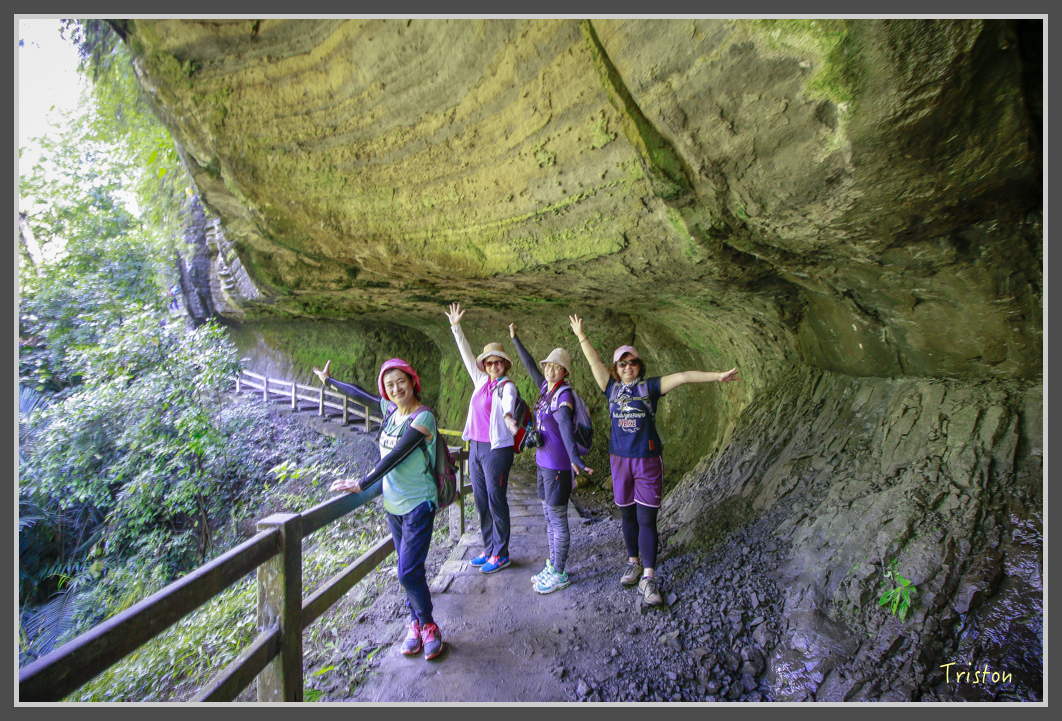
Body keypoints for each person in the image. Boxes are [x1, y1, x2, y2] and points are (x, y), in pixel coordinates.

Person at [568, 315, 740, 606]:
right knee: (627, 515)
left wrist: (717, 376)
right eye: (621, 364)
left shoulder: (650, 388)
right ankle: (633, 562)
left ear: (639, 365)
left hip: (647, 460)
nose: (627, 367)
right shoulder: (610, 389)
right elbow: (594, 361)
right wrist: (581, 335)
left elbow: (684, 376)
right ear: (616, 369)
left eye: (631, 362)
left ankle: (648, 576)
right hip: (620, 461)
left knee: (646, 518)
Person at [312, 358, 444, 660]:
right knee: (410, 568)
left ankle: (429, 625)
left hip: (418, 504)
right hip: (392, 504)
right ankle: (415, 624)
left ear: (413, 382)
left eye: (401, 381)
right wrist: (329, 382)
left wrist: (362, 481)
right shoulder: (390, 411)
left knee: (407, 570)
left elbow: (398, 454)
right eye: (389, 384)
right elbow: (361, 396)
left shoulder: (424, 418)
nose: (396, 388)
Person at [508, 322, 593, 594]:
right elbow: (531, 365)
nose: (549, 370)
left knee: (557, 519)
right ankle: (553, 564)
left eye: (556, 367)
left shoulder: (563, 396)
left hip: (558, 468)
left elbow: (567, 430)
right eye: (548, 366)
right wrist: (515, 338)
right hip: (543, 466)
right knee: (547, 515)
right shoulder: (547, 389)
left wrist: (575, 460)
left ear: (565, 372)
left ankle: (559, 572)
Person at [444, 303, 520, 574]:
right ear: (485, 365)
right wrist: (456, 328)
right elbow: (465, 354)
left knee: (495, 498)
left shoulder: (506, 386)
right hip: (475, 447)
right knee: (480, 499)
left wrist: (509, 417)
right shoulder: (480, 382)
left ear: (504, 365)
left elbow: (508, 402)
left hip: (496, 449)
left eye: (498, 362)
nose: (494, 366)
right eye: (490, 362)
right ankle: (489, 548)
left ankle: (501, 554)